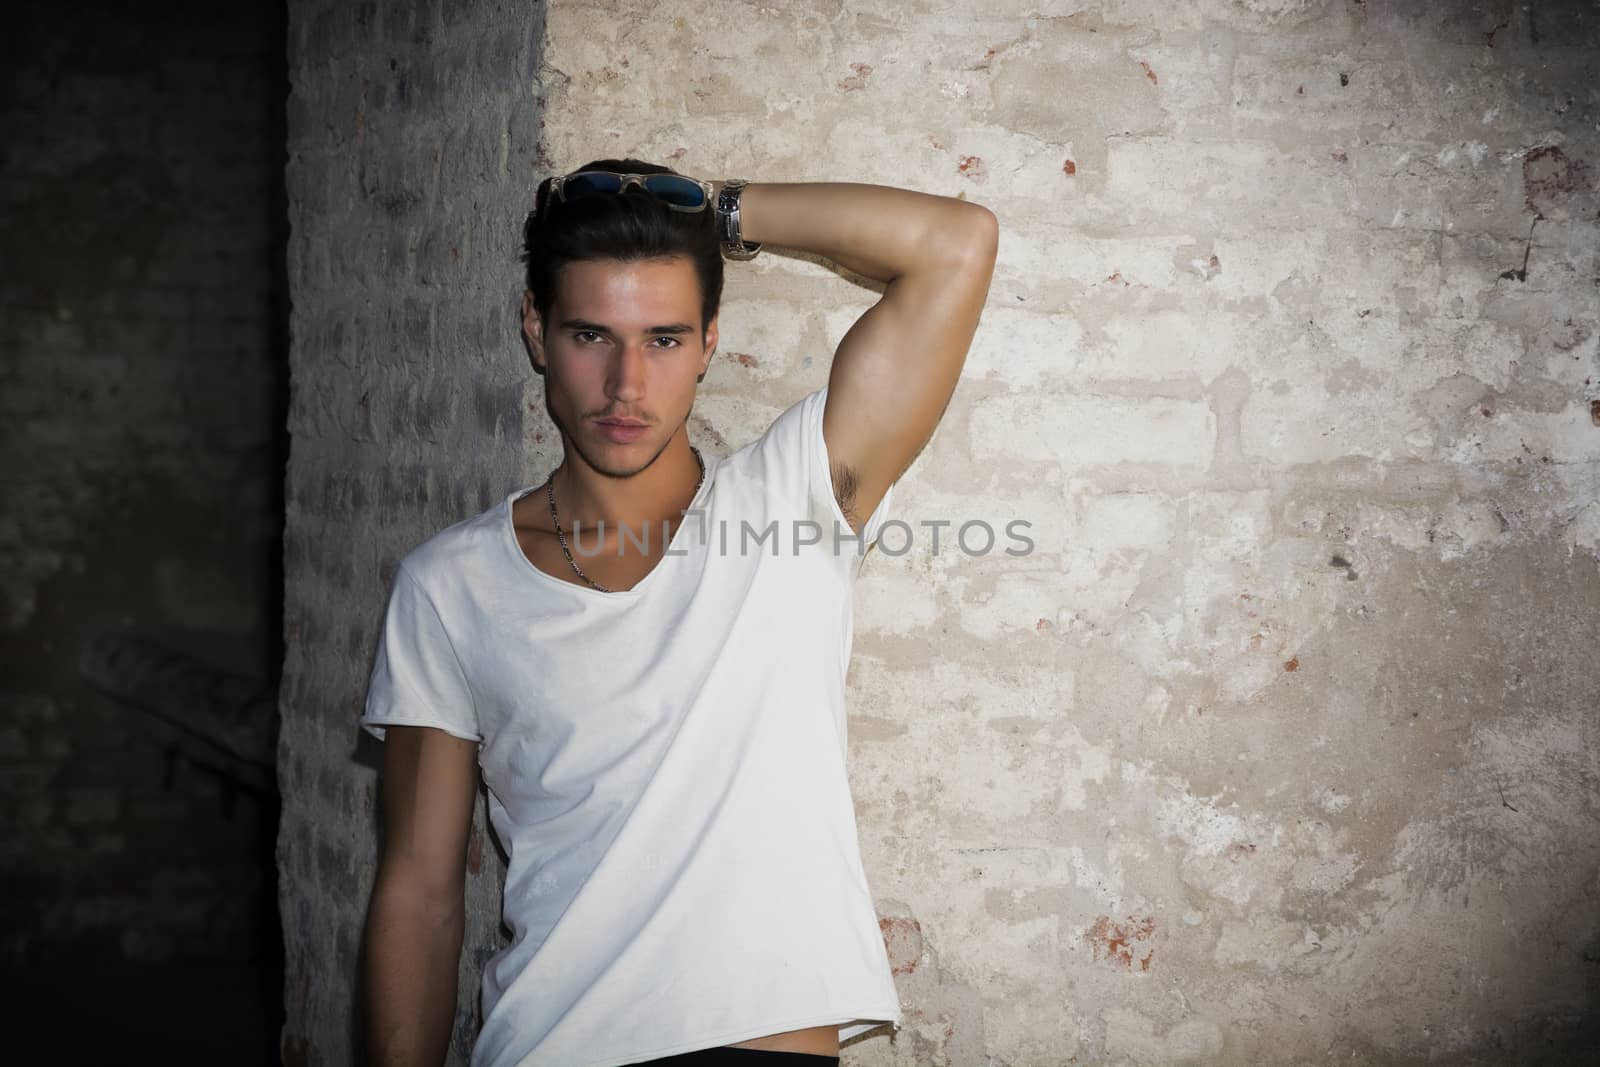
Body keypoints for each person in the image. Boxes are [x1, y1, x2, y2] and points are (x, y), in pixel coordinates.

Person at [358, 160, 998, 1067]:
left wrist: (721, 213)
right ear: (537, 330)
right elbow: (419, 890)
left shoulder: (794, 507)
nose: (626, 385)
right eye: (592, 335)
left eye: (663, 338)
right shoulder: (449, 586)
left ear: (708, 343)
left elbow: (956, 244)